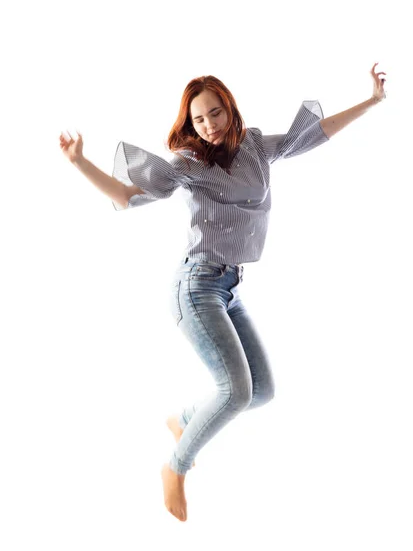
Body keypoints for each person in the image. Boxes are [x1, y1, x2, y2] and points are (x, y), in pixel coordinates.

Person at [59, 63, 387, 523]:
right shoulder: (188, 168)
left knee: (262, 391)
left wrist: (371, 101)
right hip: (194, 286)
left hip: (229, 286)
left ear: (229, 111)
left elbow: (314, 134)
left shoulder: (254, 147)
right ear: (189, 125)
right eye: (199, 119)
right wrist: (80, 163)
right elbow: (127, 196)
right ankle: (175, 467)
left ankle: (185, 420)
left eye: (215, 113)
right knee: (235, 391)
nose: (209, 125)